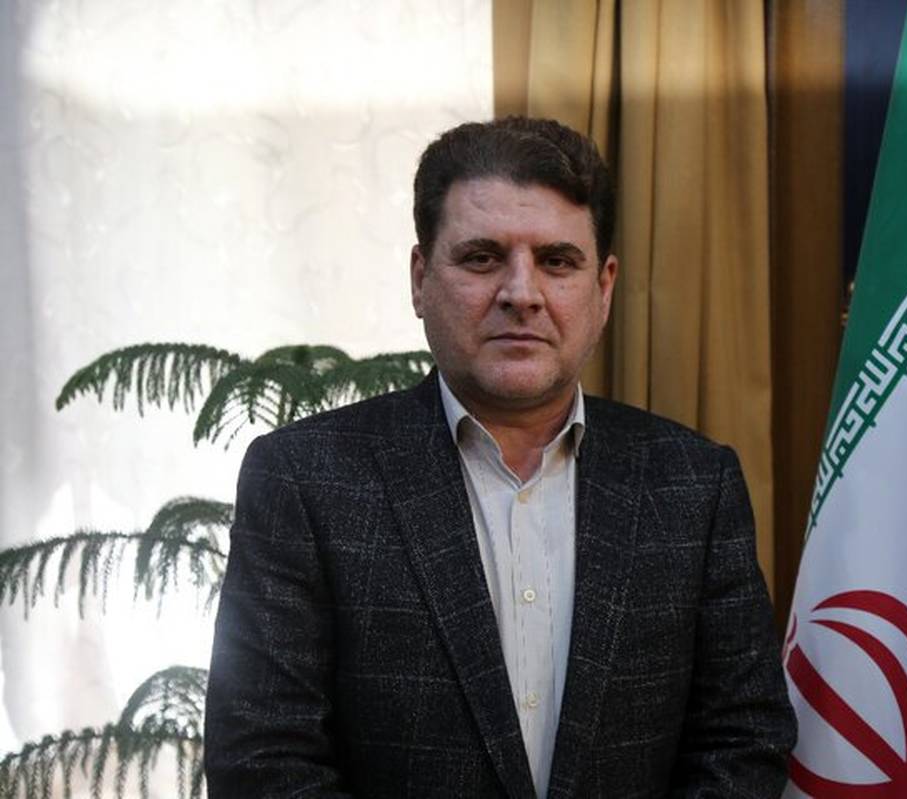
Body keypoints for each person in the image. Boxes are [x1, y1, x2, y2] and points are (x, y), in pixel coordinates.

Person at [204, 116, 795, 798]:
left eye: (557, 261)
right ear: (421, 278)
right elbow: (263, 760)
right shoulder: (307, 478)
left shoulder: (693, 484)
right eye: (482, 258)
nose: (521, 293)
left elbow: (744, 740)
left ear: (604, 288)